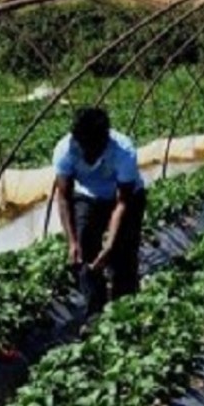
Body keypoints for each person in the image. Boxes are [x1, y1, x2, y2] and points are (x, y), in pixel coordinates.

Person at [53, 107, 147, 312]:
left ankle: (125, 309)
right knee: (84, 250)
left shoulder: (123, 151)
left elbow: (122, 203)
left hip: (127, 198)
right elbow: (64, 197)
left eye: (94, 147)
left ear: (105, 140)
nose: (88, 153)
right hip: (89, 196)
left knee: (124, 254)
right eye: (83, 146)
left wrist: (110, 244)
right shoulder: (65, 150)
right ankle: (95, 313)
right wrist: (72, 242)